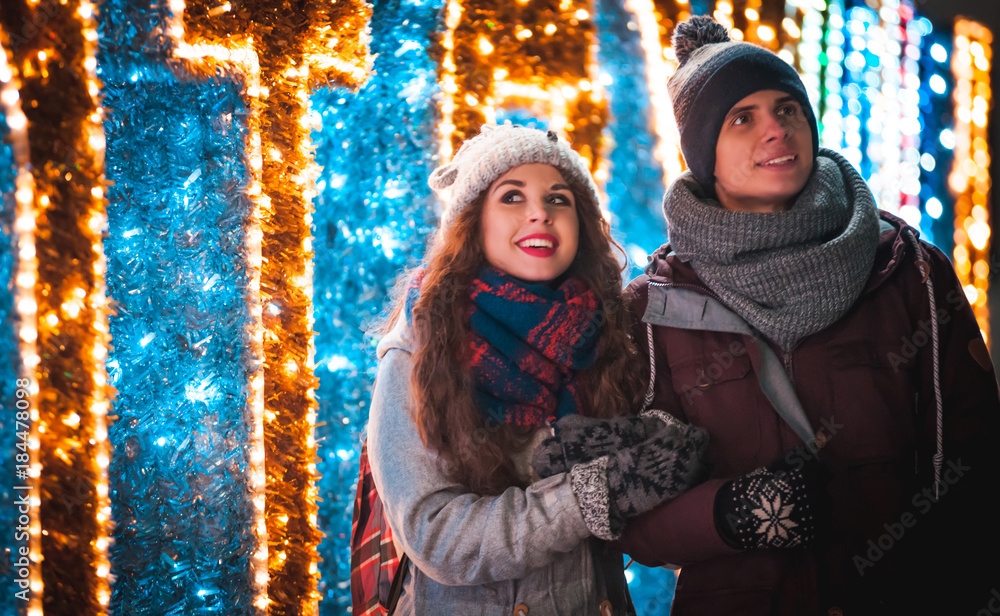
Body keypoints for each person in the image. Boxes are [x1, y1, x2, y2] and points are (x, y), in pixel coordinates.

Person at [607, 15, 1000, 616]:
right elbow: (629, 511)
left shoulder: (907, 271)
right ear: (703, 151)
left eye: (788, 108)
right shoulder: (655, 309)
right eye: (743, 118)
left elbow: (974, 468)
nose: (776, 130)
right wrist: (728, 514)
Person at [365, 124, 709, 615]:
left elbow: (656, 533)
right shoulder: (421, 349)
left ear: (582, 223)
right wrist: (589, 496)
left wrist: (668, 459)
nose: (539, 213)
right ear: (472, 223)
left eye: (558, 198)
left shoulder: (612, 336)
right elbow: (434, 534)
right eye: (511, 197)